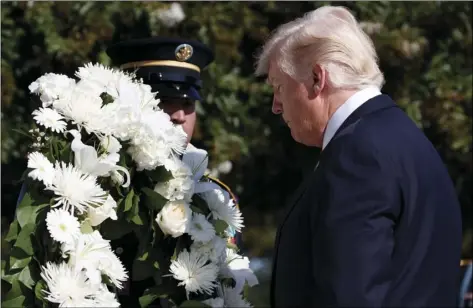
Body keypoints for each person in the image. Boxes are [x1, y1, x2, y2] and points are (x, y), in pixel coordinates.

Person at [254, 6, 462, 307]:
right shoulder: (402, 139)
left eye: (279, 87)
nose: (276, 105)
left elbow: (348, 296)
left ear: (317, 77)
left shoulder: (357, 155)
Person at [106, 37, 241, 306]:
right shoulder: (100, 182)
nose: (180, 115)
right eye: (166, 100)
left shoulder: (216, 198)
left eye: (189, 104)